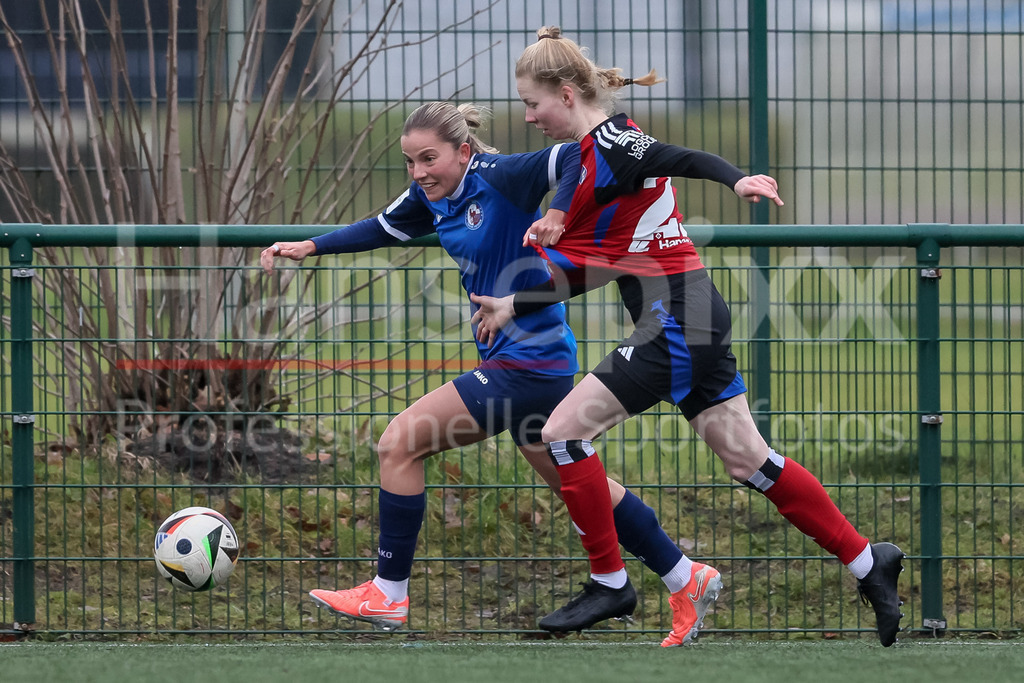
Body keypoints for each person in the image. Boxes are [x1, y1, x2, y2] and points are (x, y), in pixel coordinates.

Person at [470, 26, 906, 647]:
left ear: (565, 94)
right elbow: (603, 266)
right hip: (690, 316)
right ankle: (869, 562)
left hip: (677, 319)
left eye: (531, 103)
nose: (527, 115)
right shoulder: (590, 158)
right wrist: (517, 301)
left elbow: (683, 159)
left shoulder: (615, 142)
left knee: (562, 436)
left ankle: (610, 581)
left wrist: (737, 181)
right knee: (750, 462)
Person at [260, 101, 714, 643]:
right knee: (582, 486)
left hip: (529, 363)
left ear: (464, 151)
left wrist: (558, 215)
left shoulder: (499, 176)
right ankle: (684, 574)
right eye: (410, 161)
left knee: (398, 444)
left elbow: (575, 156)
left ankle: (388, 594)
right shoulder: (430, 198)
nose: (420, 171)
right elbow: (378, 227)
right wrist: (310, 246)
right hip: (524, 364)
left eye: (429, 158)